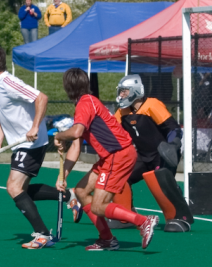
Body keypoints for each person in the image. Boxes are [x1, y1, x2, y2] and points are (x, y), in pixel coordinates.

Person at [54, 68, 159, 251]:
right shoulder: (85, 104)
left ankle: (143, 221)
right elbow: (76, 146)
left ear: (67, 87)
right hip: (111, 157)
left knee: (98, 206)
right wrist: (63, 176)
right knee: (80, 191)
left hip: (117, 155)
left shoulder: (85, 103)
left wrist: (59, 135)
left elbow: (76, 132)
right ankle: (107, 239)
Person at [0, 46, 73, 249]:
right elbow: (3, 115)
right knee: (22, 191)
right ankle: (69, 196)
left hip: (30, 143)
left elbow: (41, 97)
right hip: (21, 144)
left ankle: (42, 235)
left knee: (13, 188)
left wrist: (34, 126)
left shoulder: (8, 82)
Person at [114, 75, 192, 232]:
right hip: (142, 155)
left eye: (125, 91)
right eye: (121, 92)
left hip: (162, 154)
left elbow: (173, 128)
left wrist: (173, 145)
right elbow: (112, 132)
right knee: (119, 178)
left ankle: (180, 218)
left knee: (158, 180)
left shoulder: (152, 105)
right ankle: (126, 217)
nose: (121, 95)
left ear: (135, 91)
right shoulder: (122, 112)